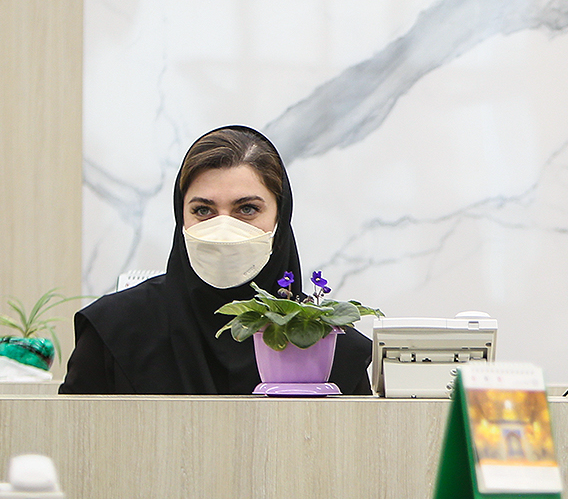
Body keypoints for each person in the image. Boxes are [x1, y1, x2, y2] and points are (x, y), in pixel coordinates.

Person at [60, 125, 373, 394]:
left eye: (247, 209)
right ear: (181, 217)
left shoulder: (331, 349)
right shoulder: (114, 332)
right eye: (203, 210)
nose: (223, 228)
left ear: (281, 219)